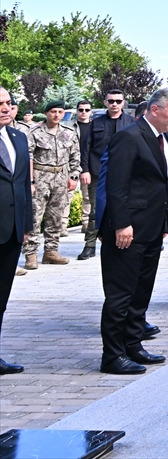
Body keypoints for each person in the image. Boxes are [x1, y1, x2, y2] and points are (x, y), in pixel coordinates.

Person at [97, 86, 168, 374]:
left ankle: (133, 345)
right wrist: (122, 224)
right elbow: (116, 185)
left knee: (140, 293)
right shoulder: (129, 137)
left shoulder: (165, 139)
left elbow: (160, 185)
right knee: (121, 295)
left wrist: (164, 224)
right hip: (127, 231)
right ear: (155, 109)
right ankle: (112, 356)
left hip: (152, 230)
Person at [23, 100, 81, 269]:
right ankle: (31, 254)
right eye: (53, 111)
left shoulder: (69, 133)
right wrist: (30, 181)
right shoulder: (34, 132)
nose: (57, 115)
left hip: (61, 177)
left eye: (60, 112)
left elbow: (75, 156)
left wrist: (74, 177)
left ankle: (51, 251)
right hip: (40, 176)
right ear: (46, 113)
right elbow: (28, 157)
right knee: (35, 216)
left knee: (56, 216)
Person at [0, 88, 34, 374]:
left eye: (8, 103)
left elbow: (23, 184)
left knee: (1, 297)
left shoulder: (18, 137)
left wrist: (26, 225)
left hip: (11, 230)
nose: (5, 108)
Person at [83, 90, 135, 259]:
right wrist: (85, 170)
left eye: (118, 101)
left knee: (124, 207)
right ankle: (90, 245)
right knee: (95, 210)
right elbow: (86, 148)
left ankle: (121, 240)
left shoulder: (130, 122)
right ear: (105, 102)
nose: (114, 104)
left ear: (123, 103)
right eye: (111, 101)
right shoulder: (95, 123)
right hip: (98, 172)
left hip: (124, 174)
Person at [70, 101, 94, 245]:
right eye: (81, 110)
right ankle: (62, 225)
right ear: (77, 111)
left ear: (90, 111)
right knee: (66, 196)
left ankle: (85, 223)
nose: (83, 112)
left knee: (87, 196)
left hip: (87, 165)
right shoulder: (69, 126)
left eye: (86, 110)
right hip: (71, 164)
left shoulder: (94, 126)